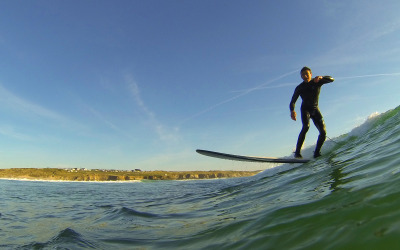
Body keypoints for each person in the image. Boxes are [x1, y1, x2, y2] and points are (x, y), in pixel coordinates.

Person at [289, 67, 334, 158]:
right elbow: (293, 101)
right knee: (306, 127)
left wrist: (321, 77)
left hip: (315, 109)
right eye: (302, 75)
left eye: (306, 74)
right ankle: (297, 153)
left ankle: (316, 153)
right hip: (305, 109)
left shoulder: (317, 81)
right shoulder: (299, 88)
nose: (305, 76)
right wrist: (292, 110)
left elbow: (331, 79)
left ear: (311, 74)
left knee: (323, 132)